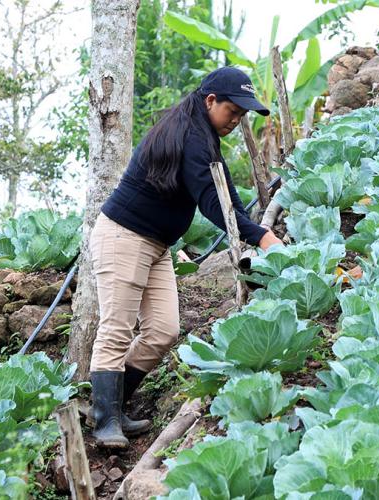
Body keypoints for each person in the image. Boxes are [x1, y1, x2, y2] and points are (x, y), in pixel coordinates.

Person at [87, 67, 282, 448]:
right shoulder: (192, 137)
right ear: (211, 101)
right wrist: (262, 237)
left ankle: (114, 407)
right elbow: (213, 203)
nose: (237, 120)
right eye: (233, 111)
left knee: (163, 330)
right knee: (117, 329)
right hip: (124, 237)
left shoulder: (203, 134)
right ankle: (104, 421)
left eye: (242, 114)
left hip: (157, 245)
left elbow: (225, 192)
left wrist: (252, 227)